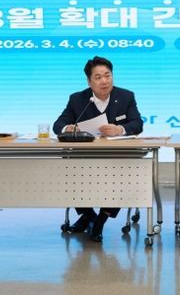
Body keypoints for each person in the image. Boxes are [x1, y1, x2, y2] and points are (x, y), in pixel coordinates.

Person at [53, 56, 143, 242]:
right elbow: (58, 124)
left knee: (122, 176)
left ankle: (100, 220)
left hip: (117, 158)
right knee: (69, 169)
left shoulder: (126, 96)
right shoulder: (78, 99)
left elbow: (137, 123)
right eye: (98, 77)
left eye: (107, 76)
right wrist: (68, 128)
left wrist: (120, 129)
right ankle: (88, 216)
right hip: (85, 157)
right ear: (89, 81)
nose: (104, 81)